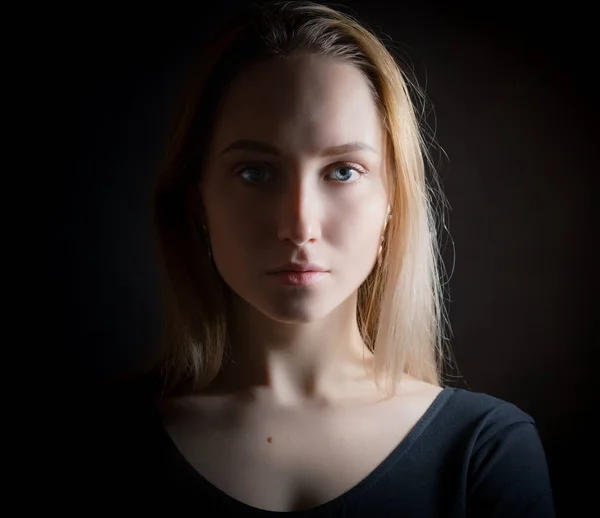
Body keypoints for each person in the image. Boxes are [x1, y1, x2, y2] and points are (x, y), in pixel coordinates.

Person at [95, 1, 555, 516]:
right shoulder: (101, 447)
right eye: (255, 172)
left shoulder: (484, 451)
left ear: (391, 204)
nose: (299, 226)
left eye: (342, 171)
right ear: (197, 199)